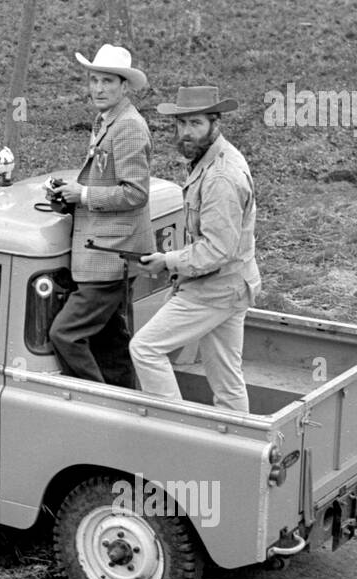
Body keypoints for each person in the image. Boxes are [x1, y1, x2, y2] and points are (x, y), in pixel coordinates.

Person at [130, 86, 261, 413]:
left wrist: (167, 261)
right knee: (228, 380)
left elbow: (217, 251)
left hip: (215, 288)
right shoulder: (215, 158)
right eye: (182, 124)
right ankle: (237, 449)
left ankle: (178, 430)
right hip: (231, 285)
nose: (186, 133)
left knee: (145, 349)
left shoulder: (220, 178)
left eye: (196, 124)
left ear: (215, 123)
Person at [46, 44, 152, 387]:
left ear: (124, 86)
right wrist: (71, 193)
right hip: (104, 251)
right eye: (94, 80)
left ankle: (95, 401)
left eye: (107, 81)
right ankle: (123, 400)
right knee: (110, 340)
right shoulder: (106, 120)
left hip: (110, 255)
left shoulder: (129, 127)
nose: (98, 88)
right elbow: (104, 177)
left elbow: (135, 193)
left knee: (65, 334)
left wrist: (85, 194)